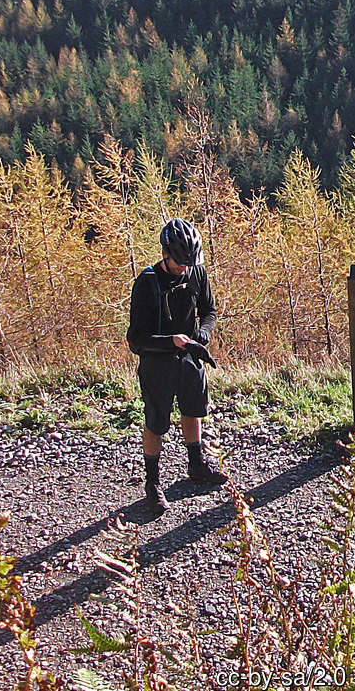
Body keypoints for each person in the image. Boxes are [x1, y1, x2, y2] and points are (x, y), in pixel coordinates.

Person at [127, 218, 228, 513]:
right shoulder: (147, 283)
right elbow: (136, 339)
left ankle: (196, 465)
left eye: (189, 262)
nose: (185, 268)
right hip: (157, 362)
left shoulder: (196, 272)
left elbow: (209, 310)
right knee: (156, 422)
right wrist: (172, 341)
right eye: (180, 262)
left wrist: (202, 336)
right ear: (165, 255)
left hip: (190, 354)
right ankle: (152, 482)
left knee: (194, 409)